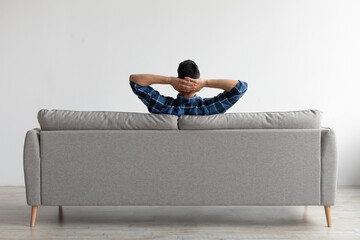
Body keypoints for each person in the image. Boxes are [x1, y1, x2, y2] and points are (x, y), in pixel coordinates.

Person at [129, 59, 248, 116]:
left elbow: (135, 81)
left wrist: (169, 80)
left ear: (178, 81)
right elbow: (241, 87)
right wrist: (205, 83)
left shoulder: (164, 107)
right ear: (198, 82)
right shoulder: (208, 109)